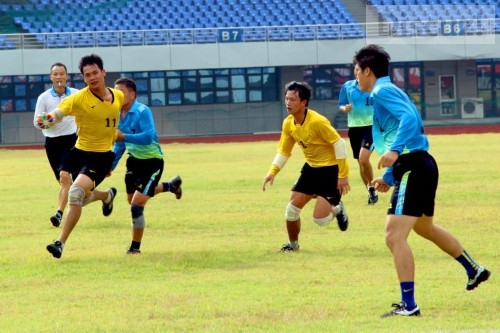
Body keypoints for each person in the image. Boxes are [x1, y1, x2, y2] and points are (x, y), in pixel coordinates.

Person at [353, 44, 491, 318]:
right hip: (417, 164)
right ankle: (473, 269)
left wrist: (394, 152)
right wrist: (390, 175)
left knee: (394, 236)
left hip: (414, 167)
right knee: (425, 228)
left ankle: (409, 305)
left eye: (356, 71)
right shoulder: (385, 92)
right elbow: (407, 131)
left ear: (368, 70)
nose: (355, 76)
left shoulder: (382, 91)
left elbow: (409, 119)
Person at [36, 54, 124, 259]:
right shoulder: (78, 98)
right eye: (87, 75)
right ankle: (106, 195)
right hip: (78, 151)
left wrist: (113, 158)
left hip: (100, 157)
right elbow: (59, 113)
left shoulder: (117, 96)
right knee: (75, 191)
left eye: (95, 73)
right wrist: (47, 120)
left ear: (103, 72)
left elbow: (111, 125)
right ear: (83, 78)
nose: (92, 77)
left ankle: (60, 243)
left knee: (76, 194)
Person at [262, 81, 350, 252]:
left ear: (304, 103)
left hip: (330, 171)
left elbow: (339, 144)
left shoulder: (317, 122)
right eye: (286, 99)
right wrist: (272, 172)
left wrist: (343, 176)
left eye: (293, 99)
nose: (288, 103)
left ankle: (338, 209)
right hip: (310, 169)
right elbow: (284, 150)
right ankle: (293, 246)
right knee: (291, 211)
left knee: (321, 220)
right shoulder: (288, 123)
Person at [111, 77, 182, 255]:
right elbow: (119, 144)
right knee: (131, 200)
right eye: (115, 92)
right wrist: (109, 166)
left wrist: (124, 136)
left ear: (132, 94)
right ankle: (170, 186)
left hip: (152, 162)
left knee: (136, 205)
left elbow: (148, 136)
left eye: (121, 92)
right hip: (133, 161)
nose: (117, 96)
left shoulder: (143, 111)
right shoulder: (116, 114)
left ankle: (135, 248)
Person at [33, 62, 79, 227]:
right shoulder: (44, 97)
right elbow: (37, 122)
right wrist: (49, 121)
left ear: (67, 76)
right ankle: (105, 196)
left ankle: (59, 213)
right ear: (51, 77)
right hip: (52, 143)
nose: (59, 77)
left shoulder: (75, 94)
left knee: (65, 177)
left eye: (62, 74)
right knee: (68, 184)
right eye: (56, 74)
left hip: (72, 141)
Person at [338, 76, 378, 205]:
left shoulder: (373, 85)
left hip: (371, 127)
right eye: (356, 69)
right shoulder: (348, 86)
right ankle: (370, 190)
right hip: (354, 128)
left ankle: (372, 187)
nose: (358, 72)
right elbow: (341, 104)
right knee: (360, 163)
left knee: (363, 159)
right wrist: (345, 108)